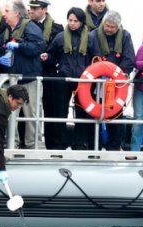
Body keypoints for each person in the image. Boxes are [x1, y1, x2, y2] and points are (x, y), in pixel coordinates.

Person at [41, 7, 94, 150]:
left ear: (82, 22)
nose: (72, 23)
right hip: (64, 79)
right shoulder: (60, 37)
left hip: (83, 81)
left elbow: (96, 59)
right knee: (60, 111)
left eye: (75, 21)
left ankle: (80, 143)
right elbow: (52, 55)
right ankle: (59, 143)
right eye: (70, 20)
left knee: (82, 112)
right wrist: (47, 57)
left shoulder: (91, 38)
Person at [0, 0, 45, 149]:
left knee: (32, 114)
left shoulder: (31, 27)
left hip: (28, 79)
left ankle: (33, 145)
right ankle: (12, 143)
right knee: (9, 114)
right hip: (11, 80)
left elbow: (38, 47)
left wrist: (19, 46)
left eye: (6, 11)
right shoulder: (5, 30)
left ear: (16, 13)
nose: (3, 14)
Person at [89, 10, 135, 150]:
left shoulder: (125, 36)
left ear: (118, 26)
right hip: (94, 83)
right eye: (107, 26)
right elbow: (87, 57)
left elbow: (129, 59)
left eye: (112, 27)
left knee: (115, 116)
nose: (108, 29)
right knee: (92, 115)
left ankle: (113, 146)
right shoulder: (93, 36)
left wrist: (114, 75)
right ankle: (93, 146)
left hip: (115, 86)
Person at [28, 0, 64, 150]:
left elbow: (59, 51)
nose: (31, 11)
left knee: (51, 109)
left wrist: (49, 57)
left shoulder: (57, 28)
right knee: (29, 109)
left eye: (35, 8)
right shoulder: (26, 26)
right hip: (31, 72)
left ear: (44, 10)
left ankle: (52, 145)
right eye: (31, 8)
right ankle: (28, 143)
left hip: (49, 72)